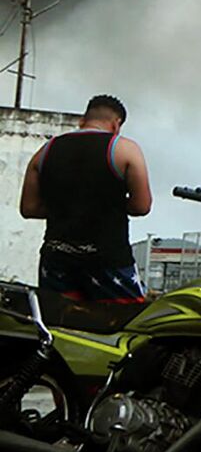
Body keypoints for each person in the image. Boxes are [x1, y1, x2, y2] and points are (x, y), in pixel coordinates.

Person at [18, 94, 152, 304]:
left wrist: (66, 207)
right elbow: (142, 206)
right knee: (125, 323)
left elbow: (29, 208)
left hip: (56, 259)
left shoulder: (45, 151)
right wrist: (106, 205)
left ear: (82, 120)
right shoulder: (125, 149)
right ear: (116, 125)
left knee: (61, 322)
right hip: (108, 259)